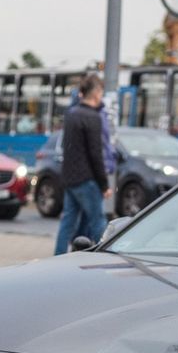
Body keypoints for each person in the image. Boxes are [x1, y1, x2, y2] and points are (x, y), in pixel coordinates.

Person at [53, 74, 110, 255]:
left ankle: (59, 257)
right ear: (96, 93)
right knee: (98, 222)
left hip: (70, 178)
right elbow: (95, 153)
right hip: (87, 179)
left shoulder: (71, 114)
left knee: (68, 222)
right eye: (101, 92)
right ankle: (104, 257)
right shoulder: (93, 117)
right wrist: (104, 184)